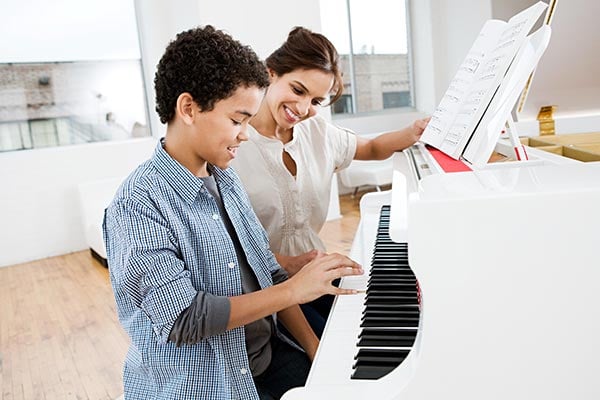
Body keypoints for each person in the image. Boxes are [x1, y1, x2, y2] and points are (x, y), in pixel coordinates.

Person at [102, 26, 363, 400]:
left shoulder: (225, 179)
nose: (245, 134)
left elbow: (269, 276)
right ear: (189, 108)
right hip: (204, 385)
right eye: (238, 120)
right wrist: (294, 287)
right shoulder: (138, 205)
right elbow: (186, 318)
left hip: (263, 357)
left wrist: (314, 350)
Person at [231, 26, 429, 334]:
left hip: (315, 274)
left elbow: (373, 148)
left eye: (315, 101)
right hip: (261, 290)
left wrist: (414, 131)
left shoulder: (318, 132)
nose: (303, 109)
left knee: (380, 321)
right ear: (270, 74)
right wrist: (284, 262)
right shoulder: (232, 143)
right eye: (298, 90)